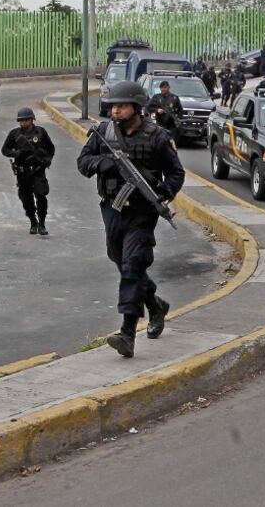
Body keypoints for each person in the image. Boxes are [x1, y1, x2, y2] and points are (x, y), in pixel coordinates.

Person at [77, 81, 185, 358]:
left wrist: (165, 191)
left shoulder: (158, 137)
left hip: (142, 212)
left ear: (137, 108)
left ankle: (127, 332)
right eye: (113, 106)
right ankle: (155, 304)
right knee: (120, 259)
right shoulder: (103, 132)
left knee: (133, 263)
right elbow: (83, 161)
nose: (116, 110)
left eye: (122, 106)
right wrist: (103, 163)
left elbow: (176, 173)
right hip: (112, 208)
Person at [1, 107, 55, 235]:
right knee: (26, 198)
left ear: (32, 120)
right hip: (22, 172)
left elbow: (51, 148)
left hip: (38, 170)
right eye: (21, 120)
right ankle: (33, 221)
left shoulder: (40, 132)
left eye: (26, 120)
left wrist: (47, 159)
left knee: (41, 195)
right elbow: (5, 150)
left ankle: (42, 223)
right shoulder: (15, 134)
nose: (24, 122)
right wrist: (16, 153)